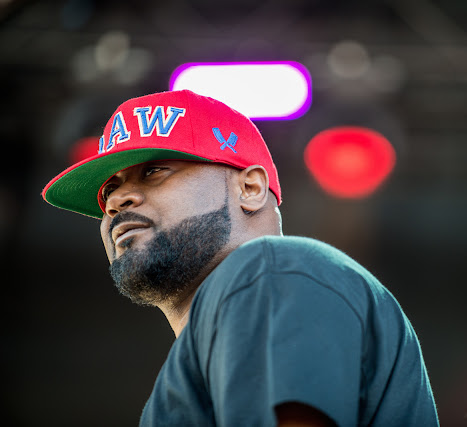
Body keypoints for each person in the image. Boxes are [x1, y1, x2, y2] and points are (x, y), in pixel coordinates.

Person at [42, 89, 439, 426]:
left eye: (154, 171)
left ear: (249, 187)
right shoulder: (199, 355)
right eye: (108, 189)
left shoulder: (274, 270)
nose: (115, 200)